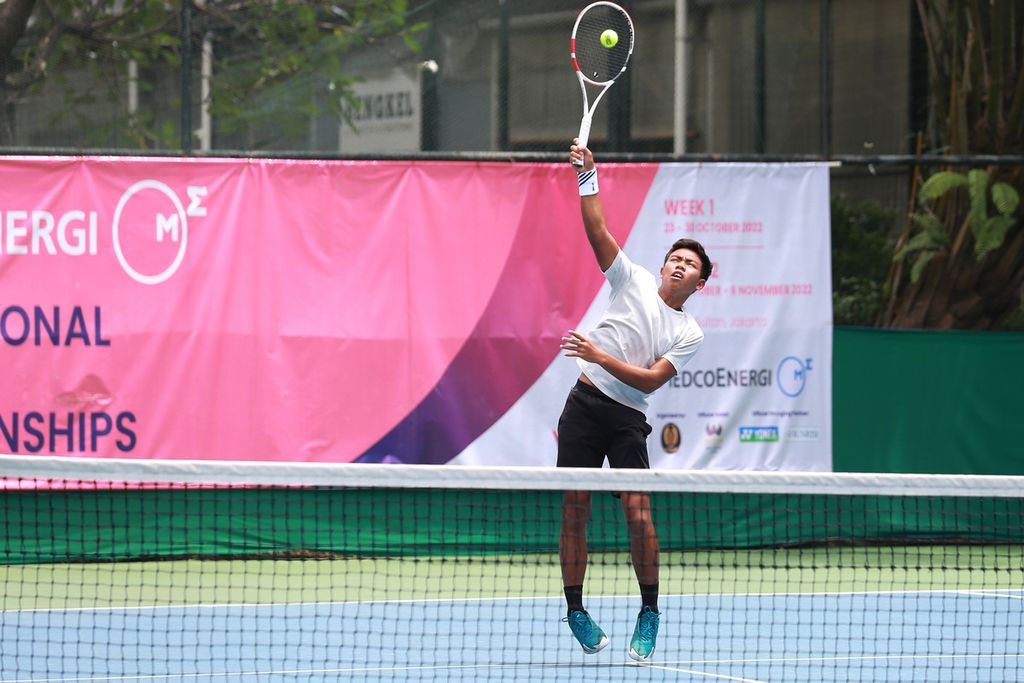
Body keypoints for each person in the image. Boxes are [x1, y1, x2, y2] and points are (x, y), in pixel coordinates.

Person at [557, 139, 712, 662]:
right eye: (674, 257)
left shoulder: (690, 332)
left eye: (688, 263)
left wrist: (600, 355)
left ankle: (649, 610)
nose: (678, 264)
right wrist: (588, 175)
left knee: (639, 515)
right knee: (574, 510)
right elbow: (597, 230)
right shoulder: (634, 279)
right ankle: (575, 608)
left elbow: (648, 382)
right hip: (584, 405)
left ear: (700, 281)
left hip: (627, 419)